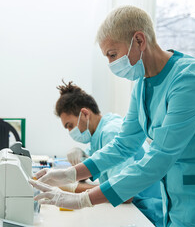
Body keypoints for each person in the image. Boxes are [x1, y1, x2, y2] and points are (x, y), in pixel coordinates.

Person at [30, 5, 195, 227]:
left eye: (113, 55)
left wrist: (82, 199)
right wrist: (68, 175)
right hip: (173, 205)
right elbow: (123, 145)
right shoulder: (142, 85)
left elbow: (160, 156)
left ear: (140, 40)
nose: (111, 64)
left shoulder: (189, 80)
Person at [55, 80, 162, 226]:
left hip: (145, 213)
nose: (70, 132)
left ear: (85, 114)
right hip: (135, 210)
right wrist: (81, 158)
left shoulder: (110, 132)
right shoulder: (100, 133)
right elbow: (94, 168)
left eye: (70, 126)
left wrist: (72, 188)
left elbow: (124, 194)